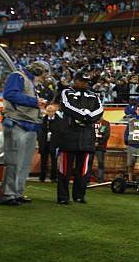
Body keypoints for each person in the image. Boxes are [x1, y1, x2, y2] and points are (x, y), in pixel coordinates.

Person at [0, 61, 49, 205]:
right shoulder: (18, 76)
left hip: (29, 125)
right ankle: (8, 194)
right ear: (39, 70)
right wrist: (34, 102)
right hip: (16, 123)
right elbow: (10, 94)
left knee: (24, 164)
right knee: (14, 162)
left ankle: (17, 192)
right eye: (44, 74)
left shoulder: (29, 81)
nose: (44, 78)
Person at [57, 72, 104, 205]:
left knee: (83, 170)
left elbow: (100, 110)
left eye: (86, 81)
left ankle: (79, 195)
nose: (84, 83)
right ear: (75, 80)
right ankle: (63, 197)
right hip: (69, 135)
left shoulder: (94, 95)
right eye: (82, 81)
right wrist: (83, 115)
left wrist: (88, 116)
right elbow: (66, 106)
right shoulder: (66, 92)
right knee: (65, 169)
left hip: (87, 137)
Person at [124, 109, 139, 181]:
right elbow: (126, 132)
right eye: (138, 109)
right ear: (136, 111)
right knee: (130, 164)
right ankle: (130, 179)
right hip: (131, 145)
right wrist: (126, 141)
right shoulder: (131, 121)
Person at [38, 103, 59, 183]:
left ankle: (53, 177)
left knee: (54, 161)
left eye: (52, 111)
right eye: (48, 111)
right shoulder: (43, 120)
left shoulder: (59, 120)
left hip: (54, 143)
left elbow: (60, 132)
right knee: (43, 161)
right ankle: (42, 177)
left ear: (55, 111)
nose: (50, 113)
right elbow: (40, 132)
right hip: (44, 143)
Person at [90, 117, 111, 183]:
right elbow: (88, 133)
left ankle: (100, 179)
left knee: (100, 163)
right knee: (88, 162)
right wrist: (93, 142)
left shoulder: (105, 123)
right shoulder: (91, 122)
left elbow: (106, 135)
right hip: (90, 146)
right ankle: (86, 178)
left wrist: (99, 142)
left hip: (101, 146)